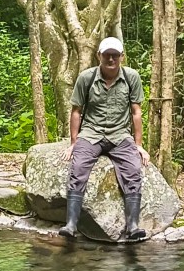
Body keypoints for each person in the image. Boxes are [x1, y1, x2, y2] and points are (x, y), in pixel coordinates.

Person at [61, 37, 151, 241]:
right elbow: (76, 111)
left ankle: (133, 226)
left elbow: (136, 112)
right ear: (98, 56)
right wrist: (74, 143)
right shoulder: (86, 77)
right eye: (107, 55)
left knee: (133, 170)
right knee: (78, 168)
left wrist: (139, 145)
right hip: (91, 133)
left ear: (122, 57)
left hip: (120, 134)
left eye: (115, 55)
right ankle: (71, 224)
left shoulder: (131, 77)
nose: (111, 59)